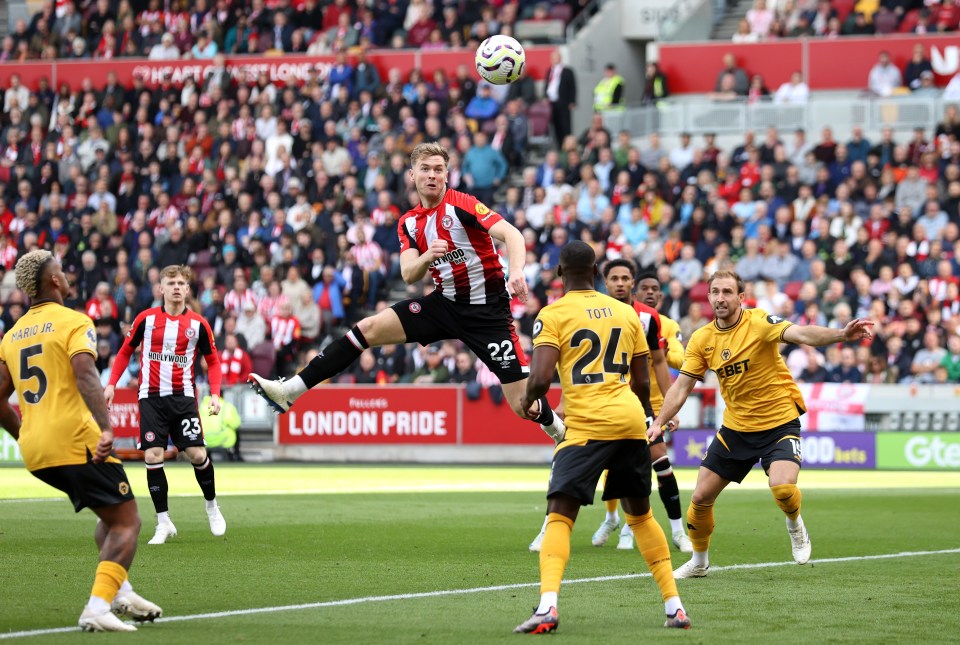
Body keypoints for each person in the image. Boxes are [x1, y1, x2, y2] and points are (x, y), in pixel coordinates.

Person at [248, 142, 565, 441]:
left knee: (525, 406)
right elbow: (408, 273)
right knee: (368, 327)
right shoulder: (409, 223)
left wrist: (519, 270)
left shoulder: (463, 204)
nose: (432, 175)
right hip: (444, 305)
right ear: (412, 174)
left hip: (488, 315)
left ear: (446, 175)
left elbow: (512, 234)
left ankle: (558, 430)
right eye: (426, 169)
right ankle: (291, 390)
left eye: (439, 169)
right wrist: (428, 256)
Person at [647, 270, 874, 578]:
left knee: (781, 488)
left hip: (779, 423)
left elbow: (802, 334)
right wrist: (660, 421)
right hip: (736, 429)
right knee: (700, 498)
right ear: (709, 296)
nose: (720, 298)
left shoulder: (760, 322)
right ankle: (699, 562)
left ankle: (795, 525)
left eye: (728, 292)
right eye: (715, 292)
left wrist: (841, 335)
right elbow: (682, 386)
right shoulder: (702, 339)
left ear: (741, 297)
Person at [513, 241, 691, 634]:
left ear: (560, 273)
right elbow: (642, 382)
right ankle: (674, 606)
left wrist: (526, 401)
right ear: (596, 272)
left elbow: (541, 380)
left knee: (559, 515)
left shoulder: (553, 313)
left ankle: (547, 606)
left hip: (586, 426)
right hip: (629, 421)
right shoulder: (628, 314)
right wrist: (646, 419)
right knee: (642, 516)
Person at [0, 250, 161, 632]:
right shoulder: (74, 321)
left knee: (109, 513)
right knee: (127, 522)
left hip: (36, 450)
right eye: (61, 268)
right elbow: (86, 375)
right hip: (76, 440)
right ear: (54, 281)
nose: (67, 273)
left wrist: (22, 432)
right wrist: (106, 428)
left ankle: (120, 591)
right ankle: (97, 606)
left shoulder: (12, 334)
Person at [104, 265, 226, 545]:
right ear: (161, 288)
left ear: (187, 289)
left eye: (181, 283)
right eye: (171, 283)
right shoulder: (145, 320)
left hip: (183, 398)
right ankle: (163, 522)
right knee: (152, 456)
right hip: (150, 398)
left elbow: (214, 362)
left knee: (196, 454)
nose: (176, 287)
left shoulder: (198, 324)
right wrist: (111, 383)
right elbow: (124, 352)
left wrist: (216, 394)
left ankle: (212, 506)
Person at [545, 50, 577, 145]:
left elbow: (572, 87)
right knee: (555, 126)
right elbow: (547, 85)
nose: (555, 60)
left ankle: (568, 145)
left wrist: (572, 101)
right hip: (552, 103)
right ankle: (559, 145)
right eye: (553, 58)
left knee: (565, 126)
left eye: (556, 57)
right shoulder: (549, 71)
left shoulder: (567, 71)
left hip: (563, 102)